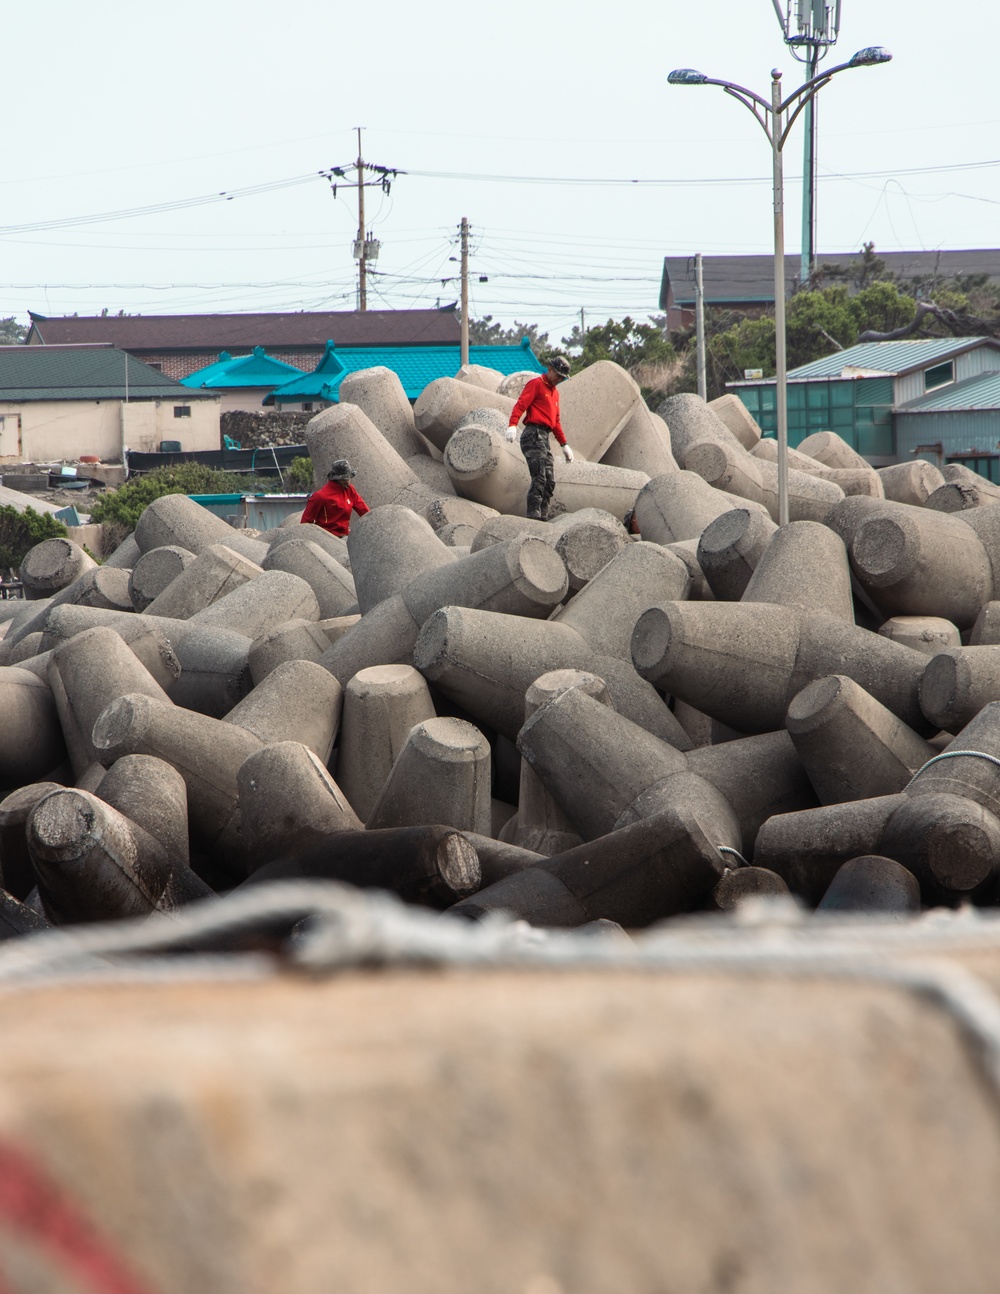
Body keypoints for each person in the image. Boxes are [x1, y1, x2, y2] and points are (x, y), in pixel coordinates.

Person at [504, 356, 574, 520]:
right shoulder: (536, 384)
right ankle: (533, 514)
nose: (559, 380)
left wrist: (564, 444)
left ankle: (543, 515)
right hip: (533, 434)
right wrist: (512, 425)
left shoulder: (555, 394)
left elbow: (555, 422)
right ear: (550, 370)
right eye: (558, 376)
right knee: (540, 476)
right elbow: (521, 404)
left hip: (545, 437)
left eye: (562, 378)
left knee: (550, 480)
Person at [300, 459, 370, 537]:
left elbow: (364, 510)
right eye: (346, 478)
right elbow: (305, 524)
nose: (349, 480)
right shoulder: (320, 497)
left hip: (345, 535)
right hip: (327, 537)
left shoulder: (349, 489)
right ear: (338, 479)